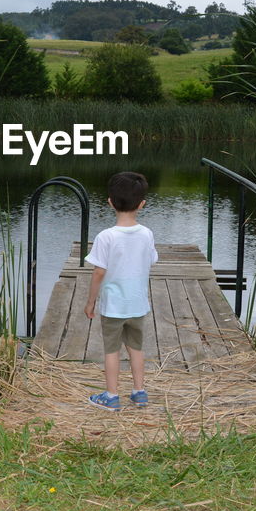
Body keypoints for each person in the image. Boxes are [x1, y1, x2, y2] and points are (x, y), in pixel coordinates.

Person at [84, 171, 157, 410]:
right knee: (136, 348)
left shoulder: (106, 237)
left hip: (114, 306)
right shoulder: (147, 234)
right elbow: (150, 260)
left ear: (110, 202)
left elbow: (98, 272)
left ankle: (112, 395)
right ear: (142, 204)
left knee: (111, 350)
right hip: (137, 305)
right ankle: (139, 392)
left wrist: (91, 301)